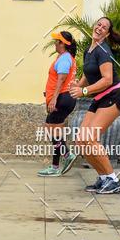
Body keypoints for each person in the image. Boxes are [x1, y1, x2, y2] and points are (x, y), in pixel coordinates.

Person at [70, 16, 120, 195]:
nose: (100, 28)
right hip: (100, 97)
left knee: (90, 138)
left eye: (104, 27)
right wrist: (79, 85)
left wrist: (84, 92)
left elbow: (107, 79)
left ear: (107, 34)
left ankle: (113, 179)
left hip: (113, 95)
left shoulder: (103, 50)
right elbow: (88, 74)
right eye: (98, 24)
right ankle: (103, 178)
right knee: (81, 141)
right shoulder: (90, 50)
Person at [38, 30, 78, 176]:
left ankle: (67, 155)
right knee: (56, 133)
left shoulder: (64, 58)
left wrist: (53, 99)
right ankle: (55, 167)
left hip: (62, 98)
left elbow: (61, 79)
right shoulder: (67, 57)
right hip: (65, 98)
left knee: (50, 129)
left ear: (63, 44)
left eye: (57, 41)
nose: (54, 43)